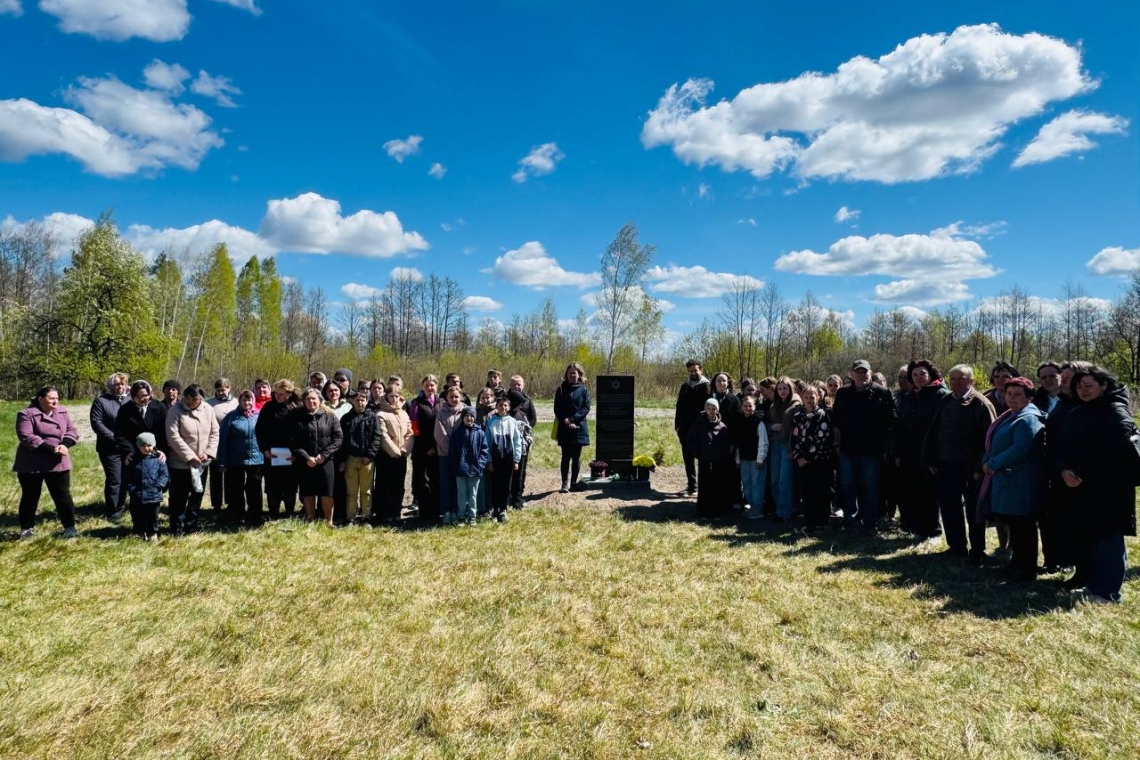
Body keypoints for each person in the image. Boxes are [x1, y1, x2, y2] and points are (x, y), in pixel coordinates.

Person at [1058, 366, 1137, 604]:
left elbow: (1115, 448)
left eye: (1089, 386)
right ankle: (1095, 586)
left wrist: (1081, 472)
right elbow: (1061, 445)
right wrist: (1063, 470)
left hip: (1109, 488)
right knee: (1091, 538)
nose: (1083, 390)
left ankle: (1109, 593)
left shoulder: (1115, 410)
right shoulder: (1079, 410)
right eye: (1079, 387)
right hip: (1081, 487)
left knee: (1108, 540)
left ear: (1103, 385)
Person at [922, 365, 996, 562]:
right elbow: (933, 432)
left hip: (971, 468)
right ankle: (956, 546)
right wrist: (931, 458)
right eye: (952, 379)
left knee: (973, 510)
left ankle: (978, 550)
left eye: (960, 379)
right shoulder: (945, 400)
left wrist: (980, 467)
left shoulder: (981, 404)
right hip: (946, 464)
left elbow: (990, 440)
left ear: (970, 381)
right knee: (949, 506)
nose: (955, 382)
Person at [979, 377, 1047, 581]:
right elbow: (991, 442)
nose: (1012, 398)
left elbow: (1021, 448)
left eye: (1018, 394)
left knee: (1023, 526)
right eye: (1009, 394)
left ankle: (1027, 569)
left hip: (1020, 482)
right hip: (1006, 480)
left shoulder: (1028, 418)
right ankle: (1017, 563)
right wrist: (986, 460)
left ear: (1029, 397)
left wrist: (993, 463)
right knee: (1014, 525)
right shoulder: (1011, 415)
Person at [831, 360, 896, 531]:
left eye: (865, 371)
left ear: (870, 372)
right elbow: (835, 420)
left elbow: (891, 421)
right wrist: (837, 444)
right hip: (847, 449)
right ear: (851, 374)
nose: (862, 375)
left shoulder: (882, 392)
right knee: (847, 485)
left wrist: (885, 446)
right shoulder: (843, 393)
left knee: (871, 487)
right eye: (858, 372)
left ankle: (870, 521)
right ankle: (850, 519)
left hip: (872, 451)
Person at [14, 386, 80, 539]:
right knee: (30, 496)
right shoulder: (26, 414)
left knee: (63, 496)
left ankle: (70, 527)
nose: (55, 401)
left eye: (56, 398)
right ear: (40, 399)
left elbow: (72, 430)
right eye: (51, 398)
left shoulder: (62, 412)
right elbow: (27, 436)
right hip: (31, 464)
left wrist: (65, 444)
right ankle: (27, 528)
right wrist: (50, 448)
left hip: (58, 462)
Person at [895, 360, 950, 539]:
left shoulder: (940, 394)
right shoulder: (911, 395)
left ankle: (933, 530)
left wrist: (935, 455)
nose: (918, 377)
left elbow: (942, 427)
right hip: (910, 451)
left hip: (930, 451)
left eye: (922, 374)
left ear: (930, 375)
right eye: (915, 375)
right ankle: (917, 528)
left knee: (930, 492)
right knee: (912, 489)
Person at [165, 384, 220, 535]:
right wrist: (190, 457)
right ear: (186, 398)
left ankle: (192, 526)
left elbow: (215, 432)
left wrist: (208, 453)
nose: (198, 402)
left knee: (197, 495)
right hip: (180, 464)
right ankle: (177, 528)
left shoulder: (207, 409)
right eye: (195, 399)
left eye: (200, 399)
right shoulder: (175, 411)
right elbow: (173, 436)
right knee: (179, 497)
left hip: (201, 463)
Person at [291, 388, 343, 527]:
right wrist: (306, 457)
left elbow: (338, 438)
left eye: (314, 399)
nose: (311, 401)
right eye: (308, 399)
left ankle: (328, 521)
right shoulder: (297, 418)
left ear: (320, 401)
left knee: (327, 492)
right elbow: (293, 441)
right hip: (306, 461)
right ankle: (310, 520)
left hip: (326, 460)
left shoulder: (330, 416)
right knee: (308, 491)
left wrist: (325, 455)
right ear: (304, 401)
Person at [790, 384, 834, 534]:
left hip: (819, 461)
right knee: (807, 493)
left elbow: (821, 440)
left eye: (812, 397)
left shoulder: (822, 415)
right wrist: (798, 457)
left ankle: (821, 523)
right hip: (802, 462)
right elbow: (794, 439)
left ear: (818, 397)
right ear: (802, 399)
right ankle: (809, 523)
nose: (809, 400)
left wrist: (807, 458)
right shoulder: (798, 417)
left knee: (820, 492)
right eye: (806, 397)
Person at [217, 389, 264, 527]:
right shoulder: (231, 417)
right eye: (244, 400)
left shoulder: (259, 416)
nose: (247, 403)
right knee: (236, 489)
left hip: (256, 459)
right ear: (240, 401)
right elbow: (223, 440)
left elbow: (265, 436)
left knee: (254, 489)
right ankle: (238, 515)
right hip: (235, 459)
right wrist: (222, 461)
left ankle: (255, 516)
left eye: (249, 400)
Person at [257, 379, 301, 519]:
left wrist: (297, 453)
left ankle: (289, 514)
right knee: (272, 486)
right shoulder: (268, 407)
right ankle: (273, 513)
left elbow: (302, 432)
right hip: (272, 453)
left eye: (282, 394)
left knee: (290, 486)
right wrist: (264, 450)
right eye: (276, 393)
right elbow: (260, 430)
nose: (278, 396)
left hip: (291, 454)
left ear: (289, 393)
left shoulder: (297, 407)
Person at [686, 398, 736, 519]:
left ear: (717, 410)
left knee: (717, 485)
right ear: (705, 409)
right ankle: (703, 511)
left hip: (719, 461)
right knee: (704, 485)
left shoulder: (722, 426)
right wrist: (697, 453)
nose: (711, 411)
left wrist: (724, 454)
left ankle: (716, 511)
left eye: (714, 409)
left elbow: (727, 443)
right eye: (709, 408)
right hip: (704, 459)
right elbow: (690, 439)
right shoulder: (699, 424)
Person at [90, 371, 130, 520]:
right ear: (111, 385)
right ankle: (113, 511)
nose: (120, 387)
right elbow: (97, 423)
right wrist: (115, 438)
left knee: (126, 479)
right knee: (115, 479)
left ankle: (122, 506)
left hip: (128, 448)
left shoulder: (130, 400)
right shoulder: (101, 401)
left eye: (122, 384)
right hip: (110, 448)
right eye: (117, 384)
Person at [339, 389, 381, 525]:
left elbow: (376, 437)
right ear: (352, 401)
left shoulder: (372, 417)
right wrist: (343, 459)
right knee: (351, 491)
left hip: (367, 460)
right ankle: (350, 517)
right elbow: (342, 441)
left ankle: (366, 517)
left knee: (366, 490)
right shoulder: (346, 418)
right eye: (357, 400)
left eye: (363, 400)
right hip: (351, 458)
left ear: (367, 402)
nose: (360, 403)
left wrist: (370, 455)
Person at [376, 389, 413, 526]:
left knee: (399, 486)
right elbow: (383, 436)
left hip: (402, 456)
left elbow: (411, 433)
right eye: (391, 396)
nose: (394, 399)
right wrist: (394, 451)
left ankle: (396, 513)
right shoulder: (381, 414)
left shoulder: (404, 413)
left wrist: (405, 450)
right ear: (386, 397)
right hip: (386, 456)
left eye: (397, 396)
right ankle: (385, 514)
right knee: (386, 486)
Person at [674, 360, 711, 496]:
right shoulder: (684, 386)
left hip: (700, 428)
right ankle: (692, 486)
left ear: (701, 370)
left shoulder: (706, 386)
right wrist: (677, 425)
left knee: (703, 458)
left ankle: (704, 488)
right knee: (688, 458)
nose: (693, 373)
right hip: (684, 429)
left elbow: (709, 408)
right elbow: (679, 406)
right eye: (690, 371)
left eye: (695, 370)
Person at [554, 362, 591, 493]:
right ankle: (564, 483)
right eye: (570, 373)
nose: (572, 375)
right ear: (566, 374)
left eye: (574, 373)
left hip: (579, 427)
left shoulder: (584, 390)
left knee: (576, 457)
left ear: (579, 374)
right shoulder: (561, 389)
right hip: (565, 427)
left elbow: (586, 408)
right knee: (565, 456)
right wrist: (565, 420)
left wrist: (573, 419)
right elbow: (557, 408)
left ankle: (574, 483)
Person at [767, 376, 801, 522]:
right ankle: (780, 508)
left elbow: (797, 428)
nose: (782, 391)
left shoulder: (796, 404)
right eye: (779, 388)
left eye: (785, 388)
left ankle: (784, 512)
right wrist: (771, 427)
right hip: (775, 444)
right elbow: (767, 423)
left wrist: (791, 449)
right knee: (774, 480)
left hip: (787, 446)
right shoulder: (773, 405)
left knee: (784, 480)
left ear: (790, 388)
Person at [485, 394, 522, 523]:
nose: (503, 407)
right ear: (496, 406)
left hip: (508, 458)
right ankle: (495, 509)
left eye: (505, 405)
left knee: (506, 484)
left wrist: (516, 459)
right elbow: (487, 442)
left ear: (509, 407)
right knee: (495, 484)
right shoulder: (491, 421)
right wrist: (488, 460)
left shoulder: (512, 421)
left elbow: (517, 441)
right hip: (495, 459)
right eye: (500, 405)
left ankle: (503, 509)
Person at [409, 375, 441, 523]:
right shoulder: (416, 403)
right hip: (421, 450)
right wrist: (426, 447)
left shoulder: (442, 403)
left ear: (436, 386)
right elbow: (414, 428)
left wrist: (435, 446)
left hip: (438, 449)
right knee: (422, 481)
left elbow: (444, 426)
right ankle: (424, 512)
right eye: (427, 385)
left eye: (432, 385)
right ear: (423, 386)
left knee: (436, 480)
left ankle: (436, 510)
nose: (430, 388)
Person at [125, 432, 168, 541]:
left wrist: (159, 485)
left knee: (153, 516)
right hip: (137, 493)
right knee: (137, 514)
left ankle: (152, 532)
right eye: (143, 446)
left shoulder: (159, 459)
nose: (146, 448)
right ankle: (138, 531)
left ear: (153, 445)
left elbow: (164, 474)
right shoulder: (133, 460)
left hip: (153, 494)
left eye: (149, 445)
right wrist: (131, 487)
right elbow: (128, 475)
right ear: (138, 446)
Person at [115, 381, 168, 467]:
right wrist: (129, 451)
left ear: (150, 393)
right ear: (132, 395)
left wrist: (161, 450)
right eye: (137, 396)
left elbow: (165, 432)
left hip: (156, 452)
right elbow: (120, 434)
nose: (141, 399)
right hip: (133, 453)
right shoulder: (125, 410)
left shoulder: (160, 407)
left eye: (144, 395)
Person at [450, 406, 489, 526]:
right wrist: (456, 465)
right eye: (466, 416)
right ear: (462, 418)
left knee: (473, 494)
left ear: (475, 418)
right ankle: (461, 516)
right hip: (460, 469)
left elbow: (484, 450)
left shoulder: (480, 433)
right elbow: (452, 452)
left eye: (472, 416)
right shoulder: (456, 433)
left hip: (475, 469)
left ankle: (472, 516)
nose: (469, 418)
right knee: (462, 494)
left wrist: (481, 464)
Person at [434, 384, 467, 523]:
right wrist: (450, 451)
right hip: (445, 455)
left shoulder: (466, 411)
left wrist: (461, 450)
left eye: (456, 397)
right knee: (446, 483)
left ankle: (458, 510)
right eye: (451, 396)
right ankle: (446, 511)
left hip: (462, 455)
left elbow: (469, 431)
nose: (454, 399)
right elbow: (439, 434)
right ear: (446, 397)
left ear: (461, 397)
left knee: (459, 484)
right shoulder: (441, 412)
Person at [206, 378, 238, 516]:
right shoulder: (208, 403)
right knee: (215, 477)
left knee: (231, 477)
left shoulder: (236, 402)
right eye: (218, 390)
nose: (221, 392)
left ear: (229, 388)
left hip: (232, 445)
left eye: (223, 390)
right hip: (215, 445)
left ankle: (231, 504)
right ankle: (216, 505)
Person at [736, 395, 769, 518]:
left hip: (756, 459)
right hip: (744, 459)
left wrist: (761, 459)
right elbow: (738, 443)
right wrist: (738, 459)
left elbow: (763, 442)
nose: (748, 408)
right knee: (747, 483)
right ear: (742, 407)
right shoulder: (740, 421)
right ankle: (751, 505)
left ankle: (758, 509)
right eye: (745, 406)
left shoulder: (758, 421)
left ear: (754, 407)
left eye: (750, 405)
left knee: (757, 484)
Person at [508, 389, 535, 509]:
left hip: (522, 451)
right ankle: (507, 498)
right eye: (519, 404)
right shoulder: (506, 416)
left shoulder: (522, 415)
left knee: (519, 476)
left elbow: (528, 431)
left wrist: (528, 443)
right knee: (509, 476)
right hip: (508, 451)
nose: (521, 406)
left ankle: (517, 499)